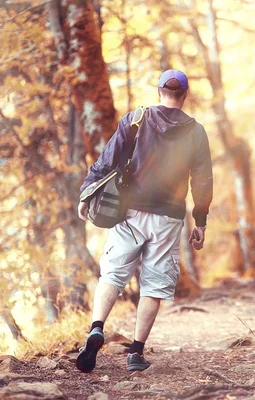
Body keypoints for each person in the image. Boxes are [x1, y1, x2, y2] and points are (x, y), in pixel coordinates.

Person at [75, 69, 213, 373]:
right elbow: (202, 180)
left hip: (130, 212)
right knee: (154, 283)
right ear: (185, 95)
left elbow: (107, 160)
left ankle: (96, 328)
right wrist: (200, 220)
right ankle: (135, 352)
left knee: (112, 274)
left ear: (159, 91)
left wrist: (87, 194)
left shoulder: (136, 119)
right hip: (168, 217)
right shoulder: (196, 131)